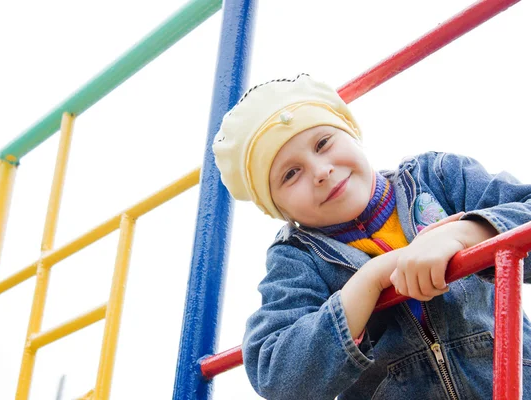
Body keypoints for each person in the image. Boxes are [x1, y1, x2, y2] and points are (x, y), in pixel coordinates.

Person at [212, 73, 531, 399]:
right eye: (291, 174)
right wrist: (370, 280)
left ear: (352, 134)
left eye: (323, 143)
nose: (321, 172)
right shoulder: (298, 258)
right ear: (278, 208)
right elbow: (277, 374)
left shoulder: (438, 178)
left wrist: (468, 233)